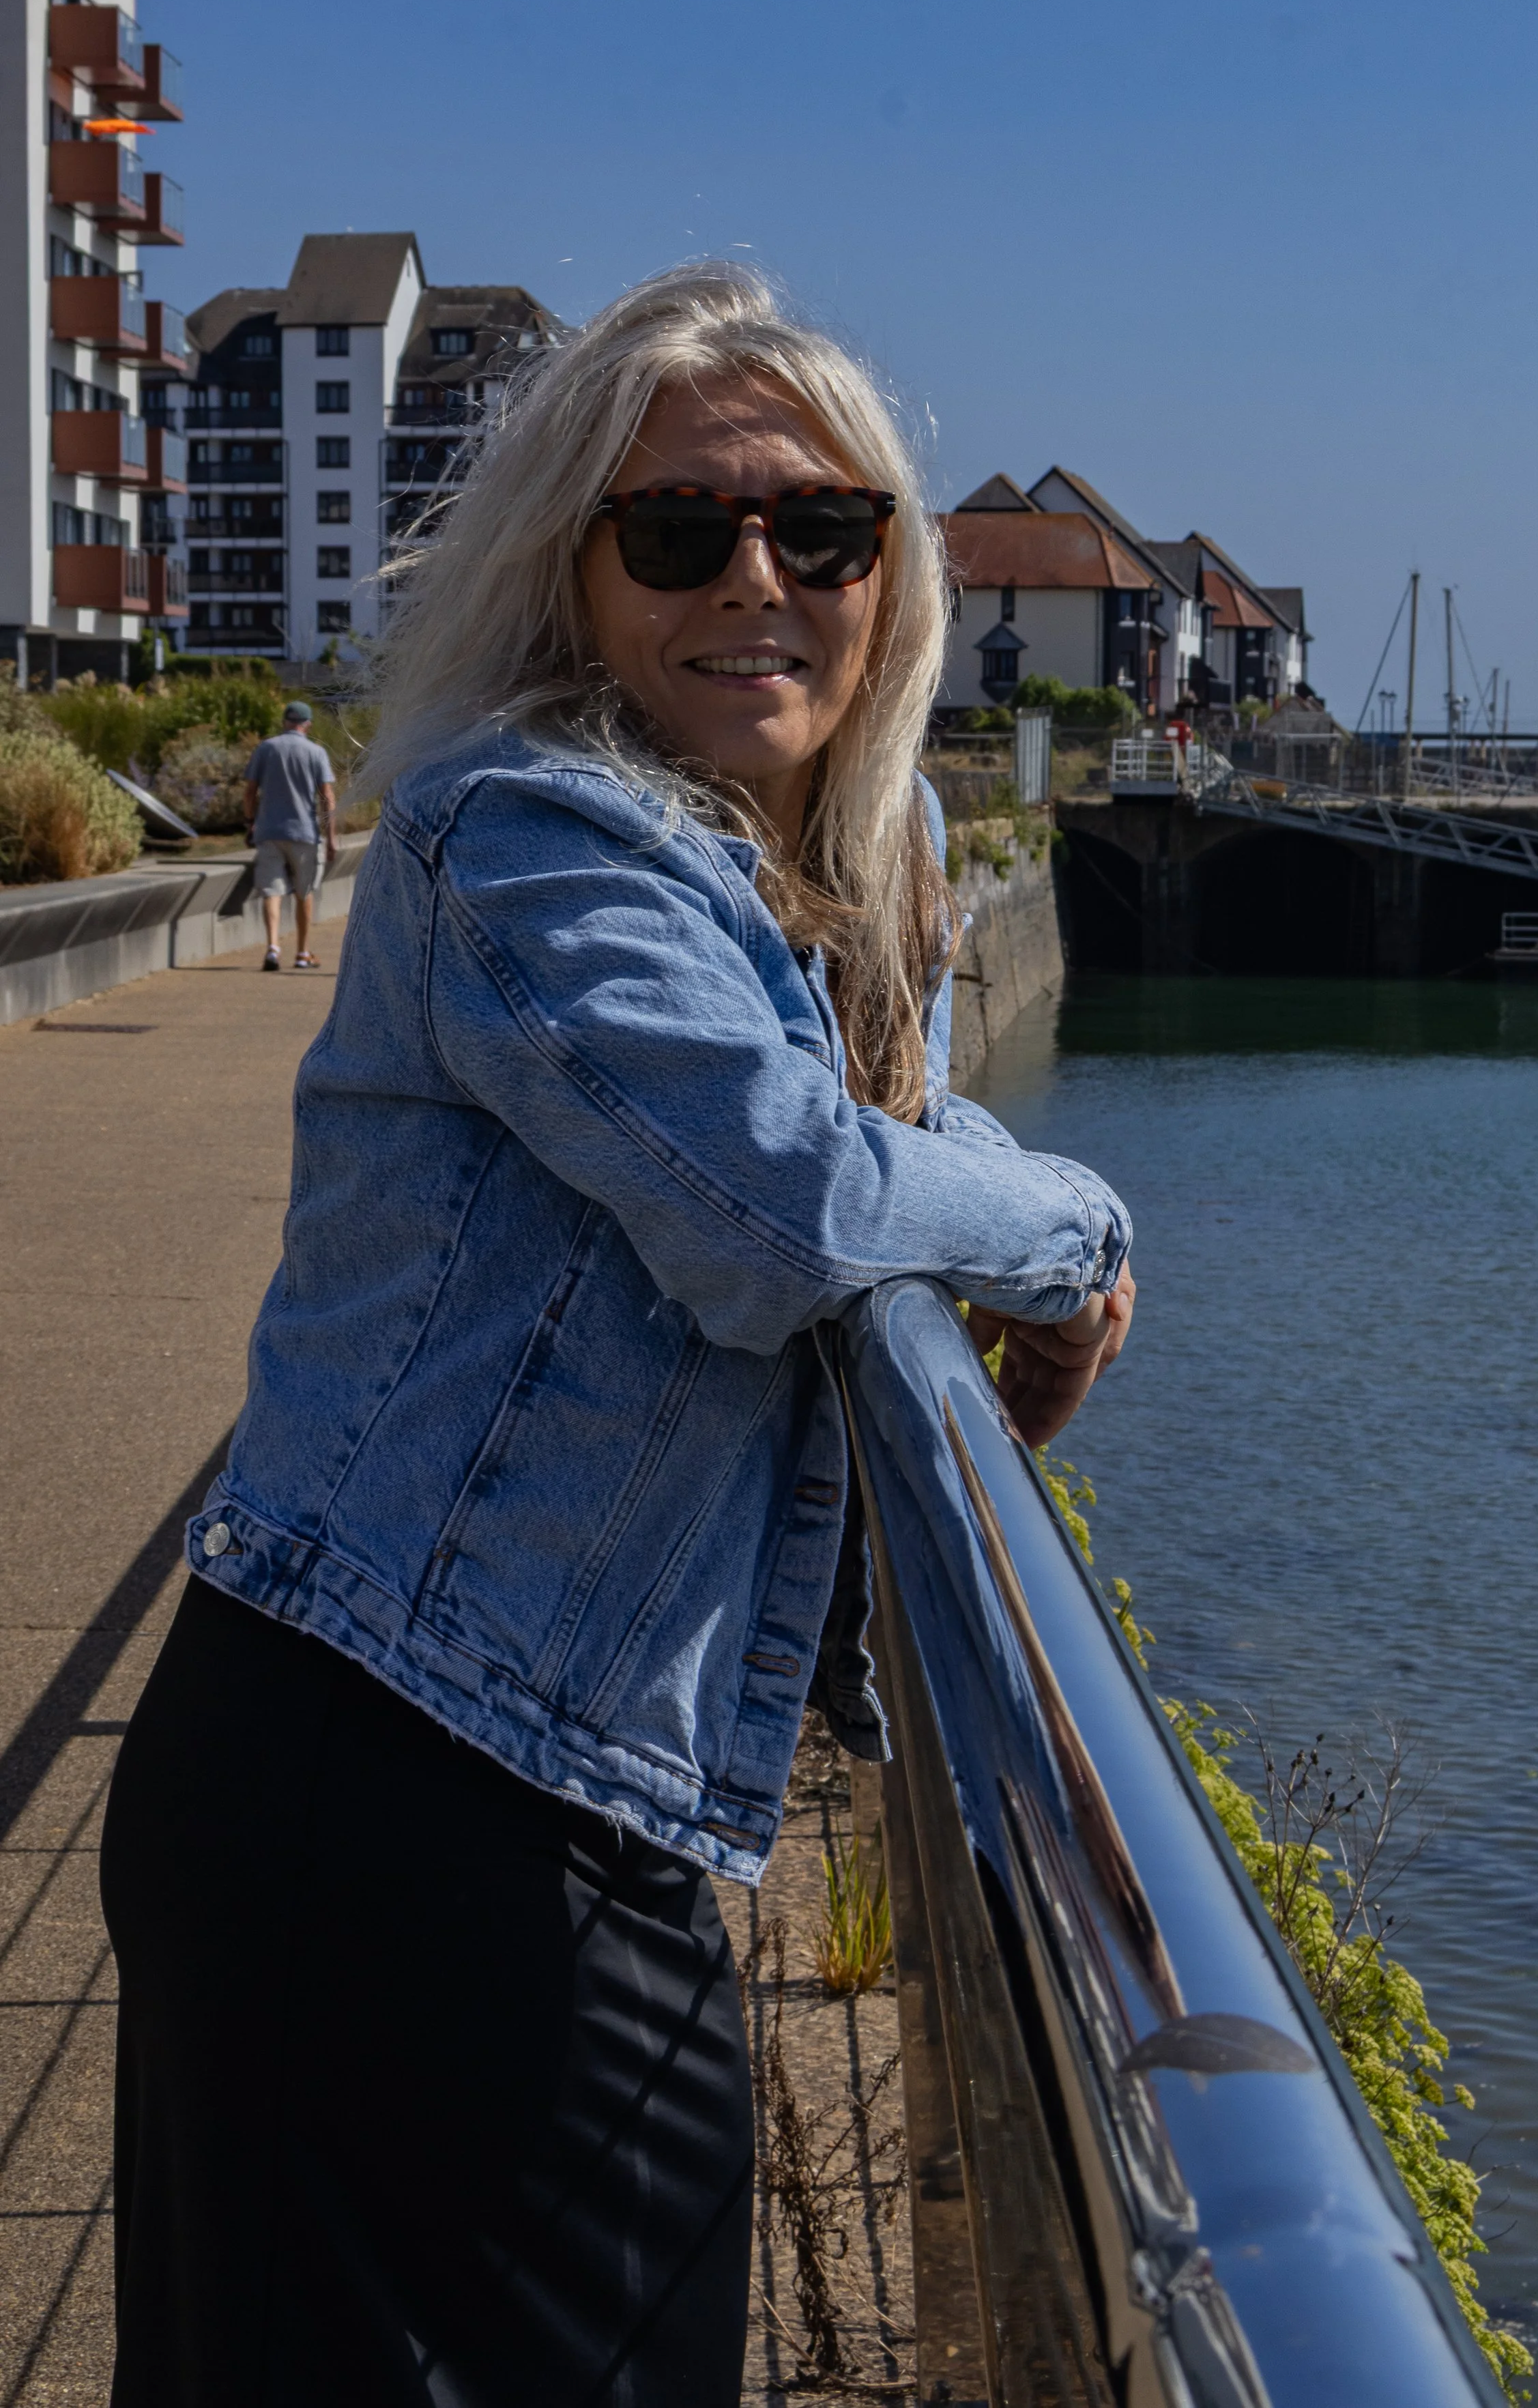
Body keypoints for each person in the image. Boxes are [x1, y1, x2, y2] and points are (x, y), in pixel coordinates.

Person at [100, 266, 1135, 2408]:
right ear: (574, 575)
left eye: (819, 529)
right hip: (383, 1777)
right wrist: (1077, 1234)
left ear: (888, 575)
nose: (755, 577)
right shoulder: (518, 831)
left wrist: (962, 1174)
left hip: (561, 1786)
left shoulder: (848, 855)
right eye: (678, 530)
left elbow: (873, 1143)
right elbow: (789, 1201)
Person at [244, 696, 338, 971]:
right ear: (307, 725)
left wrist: (249, 822)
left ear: (285, 722)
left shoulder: (266, 748)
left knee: (271, 891)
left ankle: (273, 947)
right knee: (304, 892)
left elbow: (250, 792)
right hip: (304, 832)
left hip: (269, 831)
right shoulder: (316, 753)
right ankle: (302, 952)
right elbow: (327, 796)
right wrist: (331, 837)